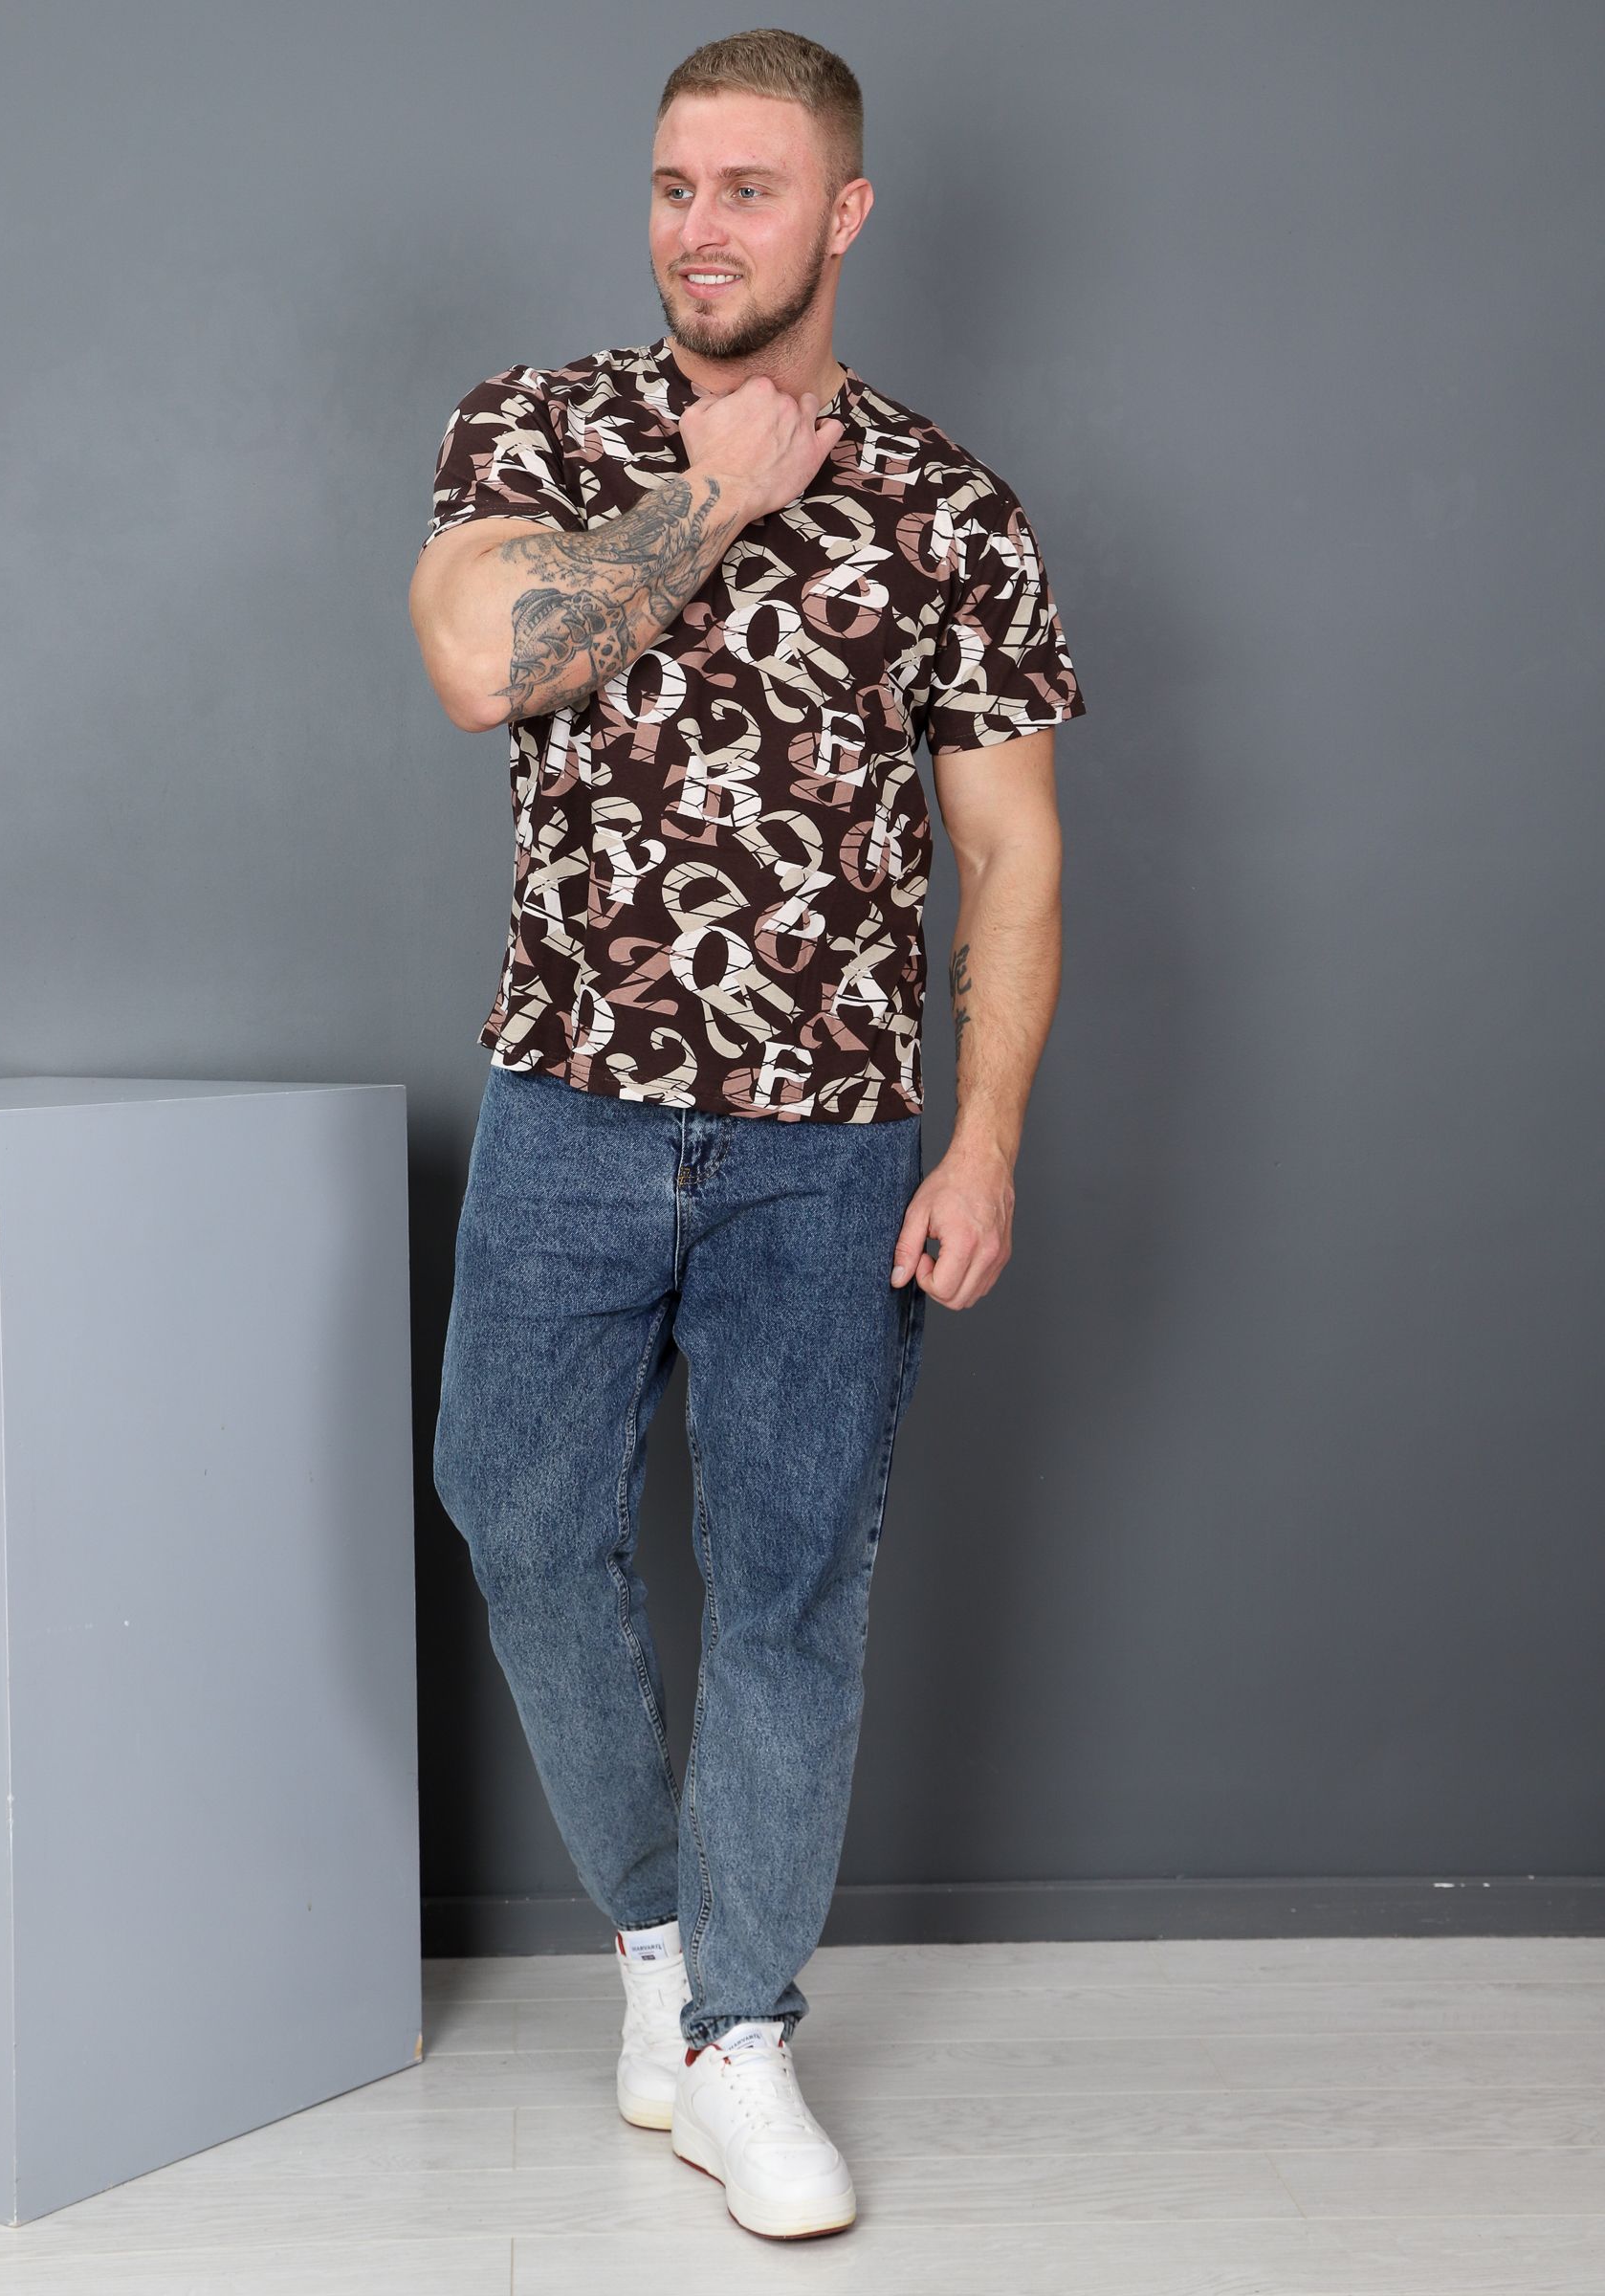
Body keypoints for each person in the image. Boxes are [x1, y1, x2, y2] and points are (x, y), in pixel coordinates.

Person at [407, 26, 1085, 2243]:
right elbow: (485, 663)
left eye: (752, 189)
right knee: (521, 1523)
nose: (702, 228)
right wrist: (718, 494)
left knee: (794, 1588)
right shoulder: (544, 426)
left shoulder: (958, 509)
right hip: (569, 1103)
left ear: (844, 212)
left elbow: (1013, 855)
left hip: (831, 1143)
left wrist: (982, 1142)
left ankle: (741, 2042)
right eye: (676, 185)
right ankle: (659, 1942)